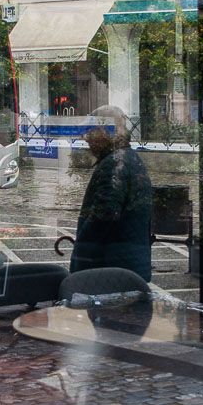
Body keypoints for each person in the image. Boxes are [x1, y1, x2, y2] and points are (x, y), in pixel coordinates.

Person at [70, 106, 154, 281]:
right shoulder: (128, 158)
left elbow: (104, 215)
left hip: (111, 270)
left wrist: (81, 253)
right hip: (128, 266)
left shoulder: (115, 164)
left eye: (91, 132)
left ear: (103, 133)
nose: (87, 138)